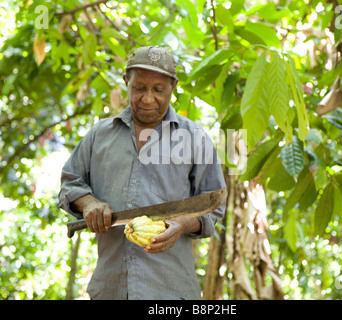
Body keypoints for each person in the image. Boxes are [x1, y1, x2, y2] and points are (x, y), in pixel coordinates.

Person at [58, 46, 226, 300]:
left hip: (170, 291)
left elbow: (214, 207)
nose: (148, 99)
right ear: (126, 81)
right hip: (110, 289)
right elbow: (70, 183)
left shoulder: (195, 139)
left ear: (173, 87)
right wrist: (89, 203)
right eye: (139, 88)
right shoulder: (99, 136)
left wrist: (180, 225)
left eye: (158, 90)